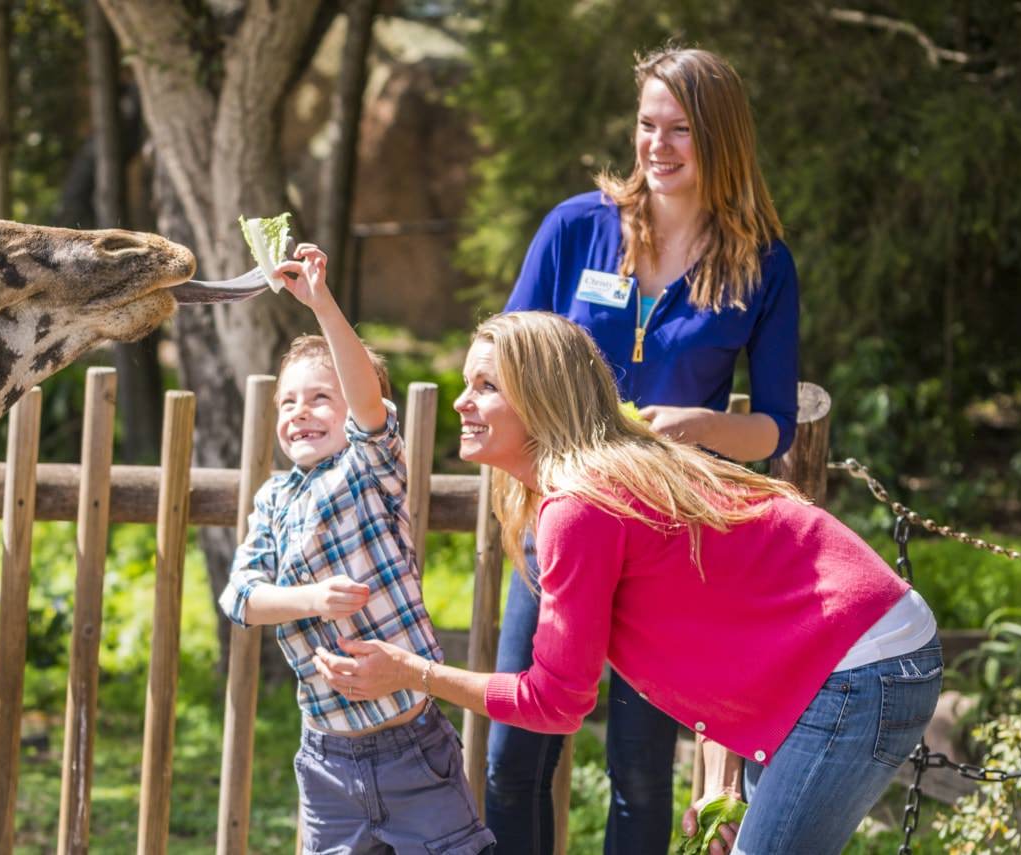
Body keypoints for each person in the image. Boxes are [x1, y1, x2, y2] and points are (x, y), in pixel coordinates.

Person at [313, 312, 940, 855]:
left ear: (541, 399)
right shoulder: (598, 482)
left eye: (486, 386)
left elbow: (555, 702)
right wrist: (730, 775)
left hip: (860, 663)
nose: (461, 401)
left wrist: (414, 672)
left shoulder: (579, 506)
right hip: (855, 653)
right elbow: (725, 620)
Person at [493, 45, 800, 853]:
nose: (657, 146)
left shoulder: (763, 264)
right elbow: (504, 355)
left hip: (667, 540)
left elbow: (773, 428)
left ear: (722, 140)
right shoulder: (575, 229)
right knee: (511, 758)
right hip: (556, 522)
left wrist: (696, 426)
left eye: (681, 129)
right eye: (647, 125)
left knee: (638, 771)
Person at [218, 244, 494, 854]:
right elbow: (241, 598)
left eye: (320, 398)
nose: (300, 412)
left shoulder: (369, 470)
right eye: (288, 402)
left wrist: (321, 305)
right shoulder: (273, 500)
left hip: (413, 752)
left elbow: (367, 407)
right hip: (326, 761)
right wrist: (309, 598)